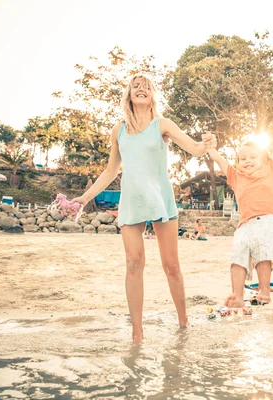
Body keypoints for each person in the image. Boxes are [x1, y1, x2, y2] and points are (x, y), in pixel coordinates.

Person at [72, 74, 216, 344]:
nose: (141, 89)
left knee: (171, 266)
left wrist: (206, 144)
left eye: (146, 87)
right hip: (132, 200)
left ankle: (183, 324)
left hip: (160, 197)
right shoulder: (119, 130)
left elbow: (194, 149)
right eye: (136, 86)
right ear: (128, 95)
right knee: (134, 262)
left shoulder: (162, 124)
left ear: (152, 96)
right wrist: (83, 197)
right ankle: (137, 334)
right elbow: (110, 170)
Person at [207, 137, 273, 308]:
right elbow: (220, 160)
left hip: (269, 218)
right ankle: (237, 296)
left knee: (262, 247)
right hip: (246, 223)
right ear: (237, 163)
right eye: (243, 159)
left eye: (253, 157)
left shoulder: (269, 168)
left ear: (263, 160)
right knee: (238, 251)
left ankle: (264, 291)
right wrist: (210, 147)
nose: (247, 161)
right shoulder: (235, 176)